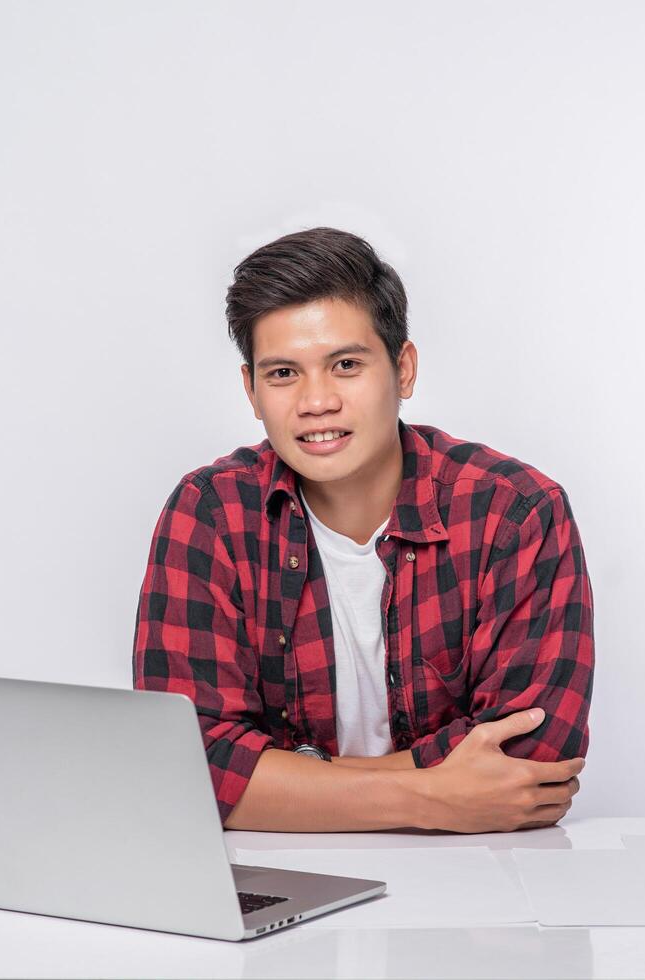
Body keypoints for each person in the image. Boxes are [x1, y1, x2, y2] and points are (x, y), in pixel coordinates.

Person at [132, 228, 592, 833]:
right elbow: (186, 767)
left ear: (403, 369)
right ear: (251, 390)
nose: (316, 401)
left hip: (479, 878)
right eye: (283, 374)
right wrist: (430, 797)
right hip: (279, 871)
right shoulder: (210, 514)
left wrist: (285, 785)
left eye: (345, 365)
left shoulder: (515, 512)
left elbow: (533, 760)